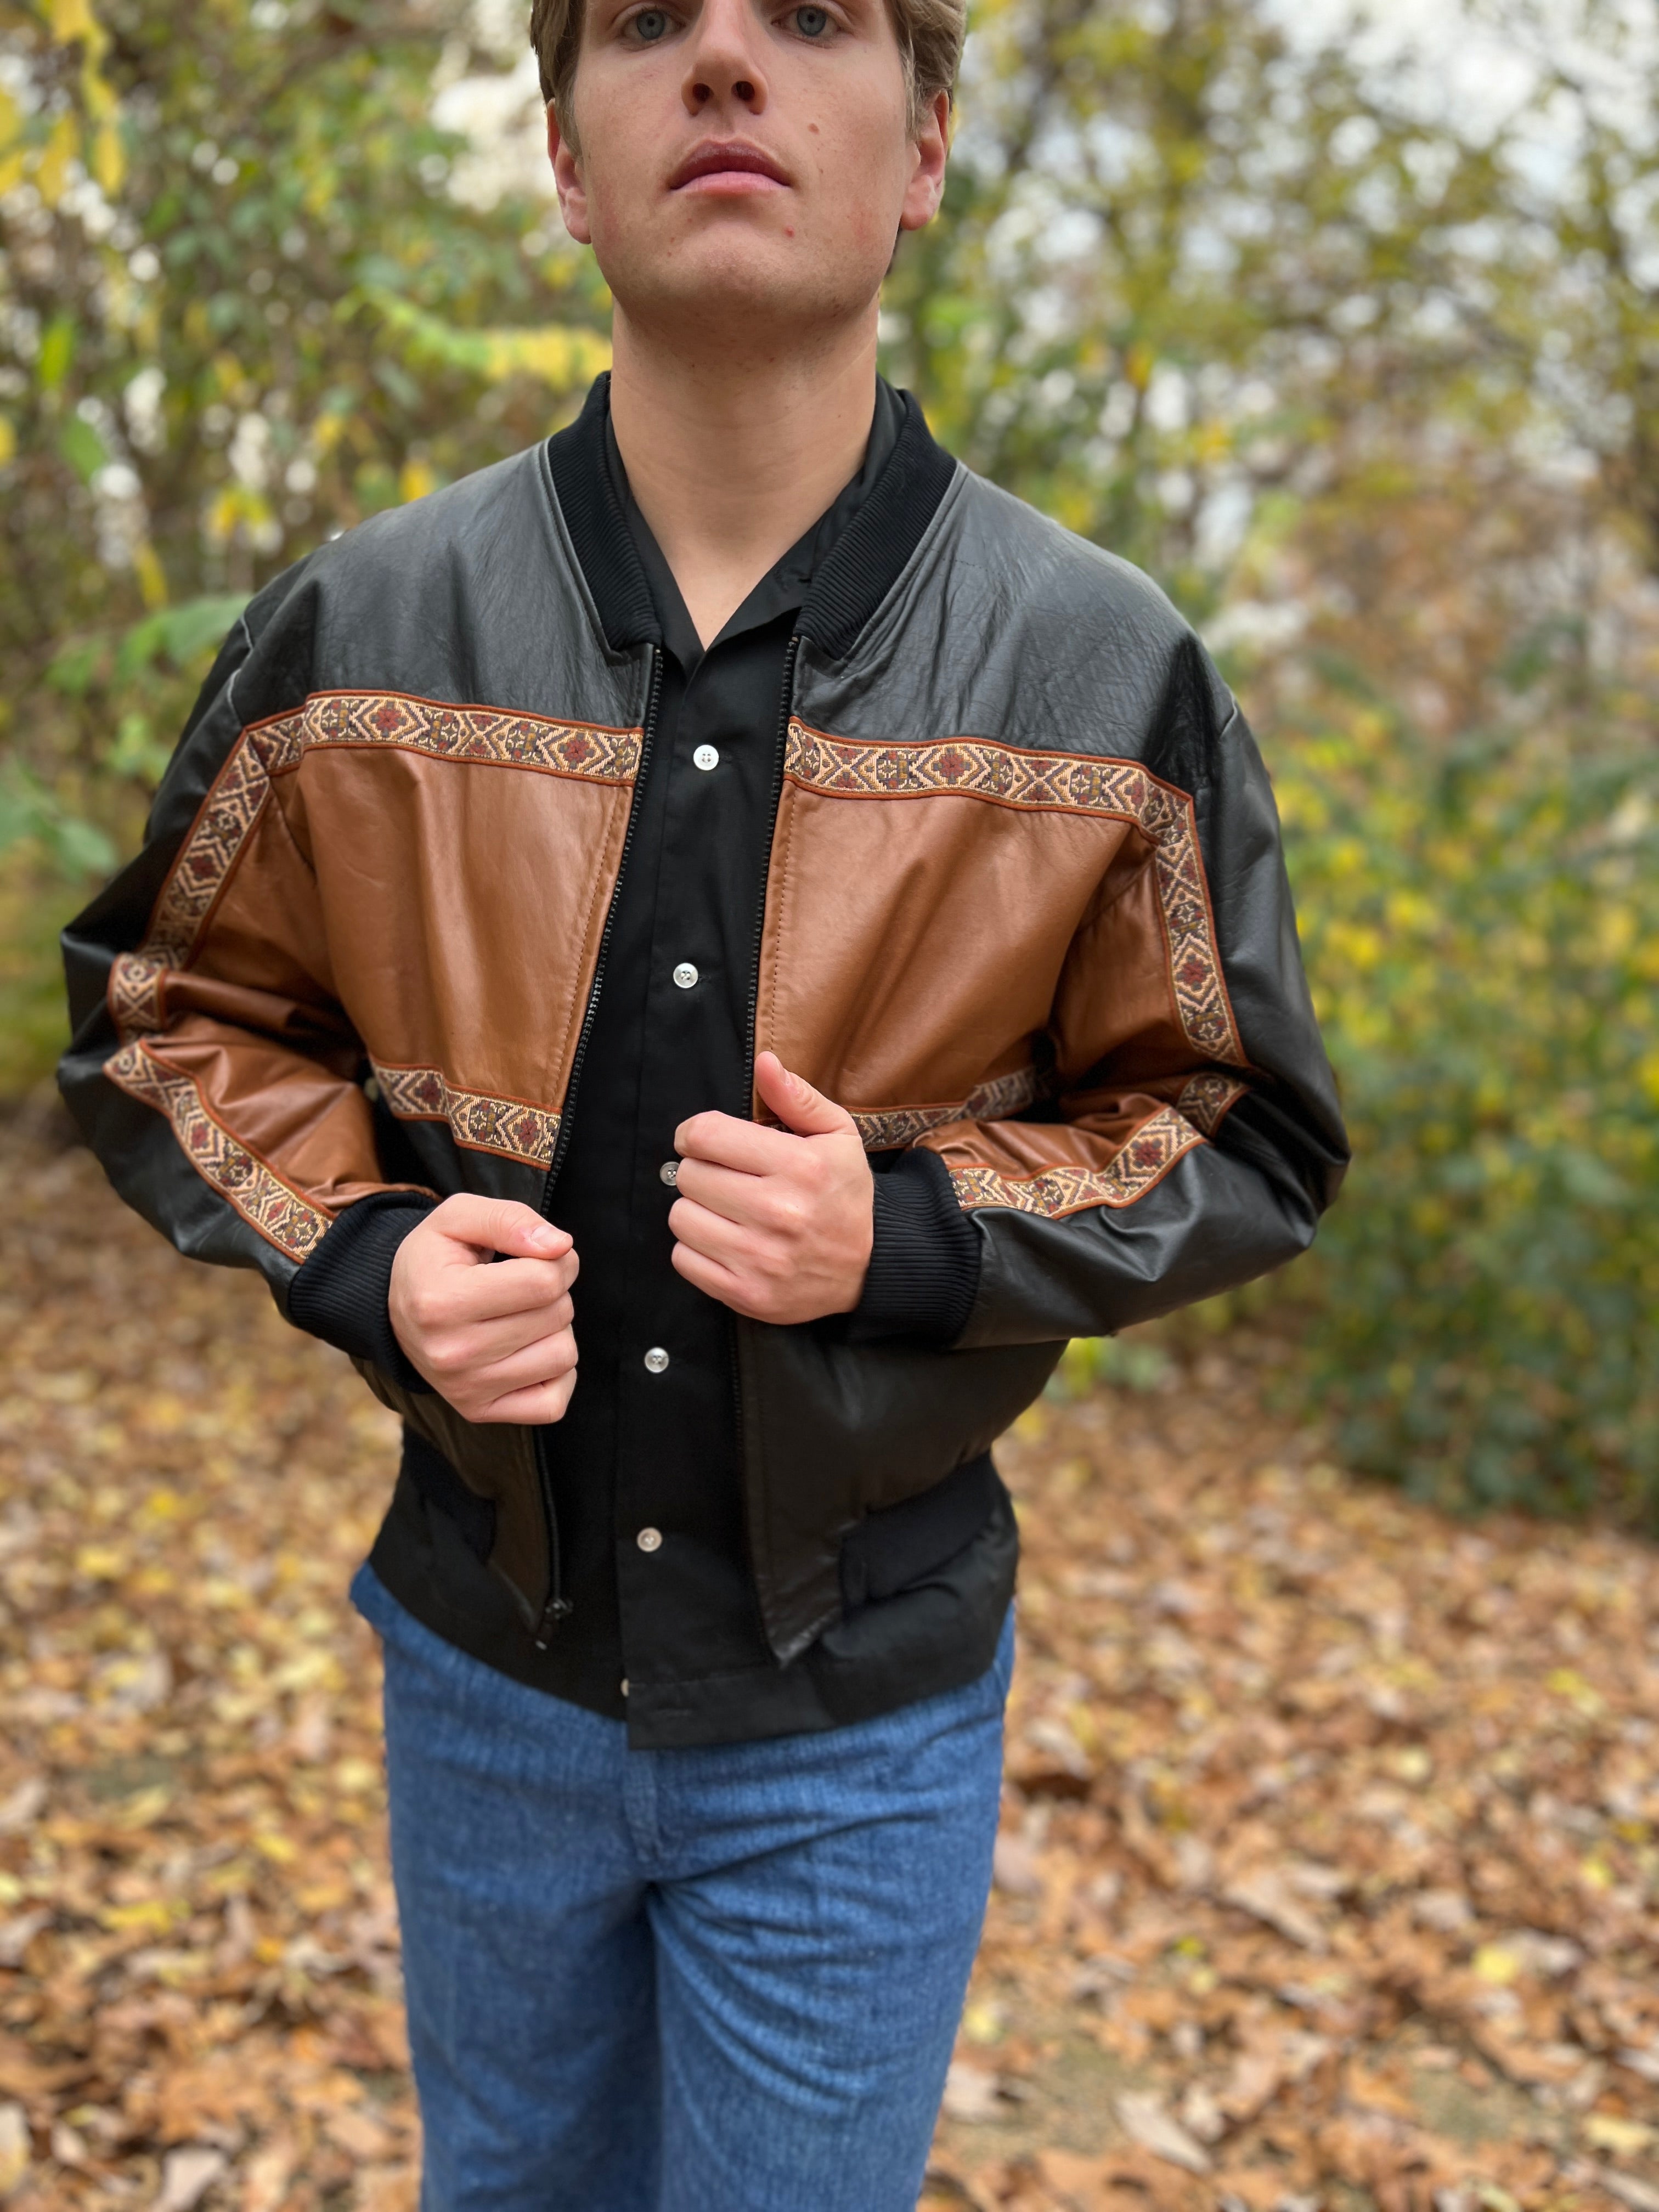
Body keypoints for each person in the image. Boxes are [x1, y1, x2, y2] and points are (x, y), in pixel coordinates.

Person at [59, 0, 1348, 2203]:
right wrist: (365, 1255)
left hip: (864, 1710)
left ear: (922, 144)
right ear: (567, 158)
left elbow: (1242, 1127)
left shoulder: (1099, 668)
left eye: (812, 20)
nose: (726, 66)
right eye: (652, 23)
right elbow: (163, 1022)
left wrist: (914, 1232)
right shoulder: (366, 623)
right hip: (485, 1678)